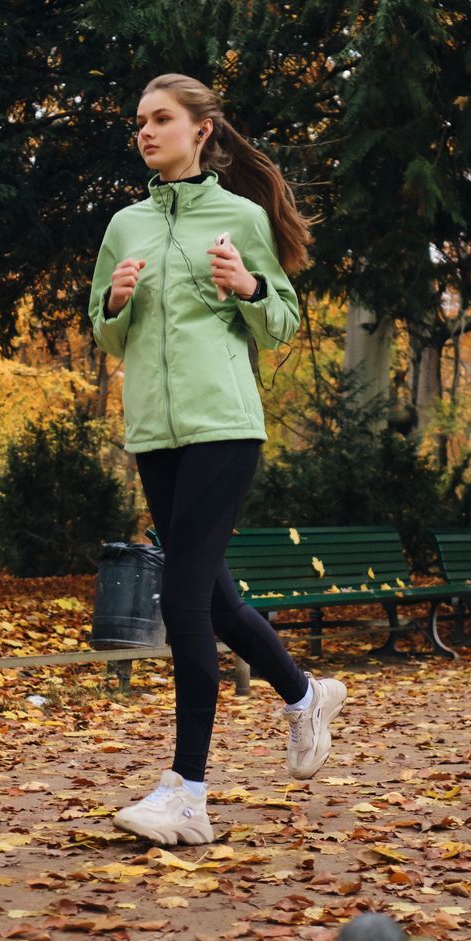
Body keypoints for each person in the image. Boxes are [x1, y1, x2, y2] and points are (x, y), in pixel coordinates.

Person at [86, 72, 347, 847]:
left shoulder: (239, 217)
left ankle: (188, 793)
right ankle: (304, 697)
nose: (145, 131)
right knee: (217, 601)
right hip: (154, 433)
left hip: (225, 426)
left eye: (161, 118)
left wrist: (248, 283)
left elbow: (281, 323)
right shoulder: (123, 226)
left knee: (181, 600)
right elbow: (105, 331)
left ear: (202, 130)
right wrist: (114, 302)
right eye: (139, 120)